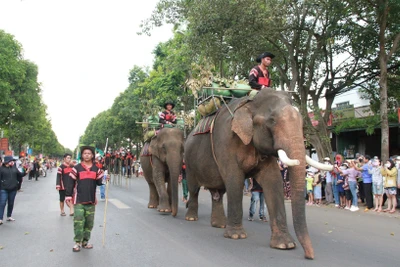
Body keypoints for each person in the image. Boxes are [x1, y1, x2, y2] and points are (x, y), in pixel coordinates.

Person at [65, 145, 109, 252]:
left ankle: (85, 242)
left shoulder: (96, 169)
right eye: (85, 153)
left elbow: (99, 182)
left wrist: (104, 178)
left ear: (92, 155)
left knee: (89, 223)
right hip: (79, 200)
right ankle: (77, 242)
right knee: (78, 222)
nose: (87, 155)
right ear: (82, 155)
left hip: (91, 200)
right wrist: (68, 195)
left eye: (89, 153)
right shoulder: (77, 168)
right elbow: (70, 182)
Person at [0, 156, 25, 225]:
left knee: (11, 203)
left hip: (13, 189)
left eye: (13, 161)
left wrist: (26, 171)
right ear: (6, 162)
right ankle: (0, 218)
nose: (12, 162)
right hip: (3, 189)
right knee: (2, 203)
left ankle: (9, 216)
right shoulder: (1, 169)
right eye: (11, 161)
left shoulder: (14, 168)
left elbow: (20, 175)